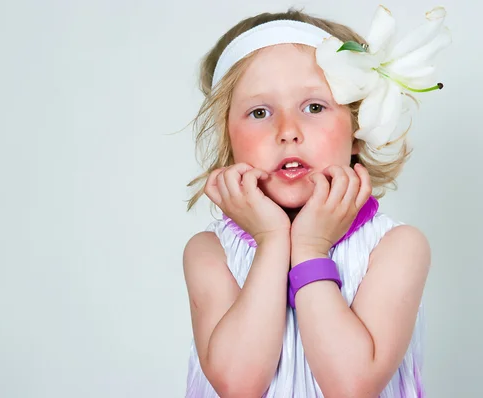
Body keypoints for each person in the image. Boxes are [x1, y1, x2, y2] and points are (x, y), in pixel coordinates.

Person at [182, 5, 450, 397]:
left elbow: (352, 386)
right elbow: (239, 385)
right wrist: (273, 240)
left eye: (314, 107)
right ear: (228, 138)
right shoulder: (210, 252)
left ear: (359, 128)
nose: (287, 131)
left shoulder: (395, 248)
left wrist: (310, 248)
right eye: (259, 112)